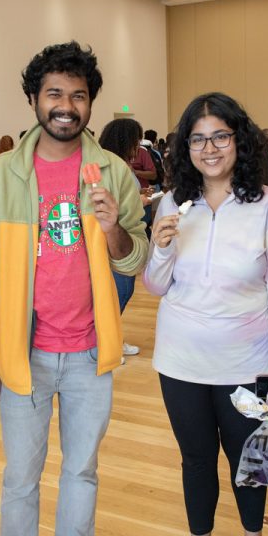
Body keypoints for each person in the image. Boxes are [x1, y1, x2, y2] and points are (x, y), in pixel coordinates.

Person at [0, 41, 148, 536]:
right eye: (54, 94)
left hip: (91, 353)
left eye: (79, 95)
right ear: (33, 99)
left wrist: (113, 229)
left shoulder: (113, 171)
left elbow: (134, 262)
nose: (66, 105)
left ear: (91, 104)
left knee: (81, 469)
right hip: (25, 350)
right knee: (21, 476)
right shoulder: (2, 174)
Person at [145, 92, 268, 536]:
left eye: (220, 137)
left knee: (247, 461)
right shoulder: (174, 200)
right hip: (180, 359)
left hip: (246, 362)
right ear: (185, 147)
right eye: (198, 139)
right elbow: (155, 285)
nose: (209, 148)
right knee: (195, 459)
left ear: (239, 140)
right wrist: (162, 247)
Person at [99, 117, 149, 358]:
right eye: (136, 141)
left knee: (121, 294)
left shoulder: (118, 167)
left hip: (126, 237)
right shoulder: (113, 168)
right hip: (115, 242)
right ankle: (106, 345)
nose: (138, 147)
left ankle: (113, 340)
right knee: (117, 295)